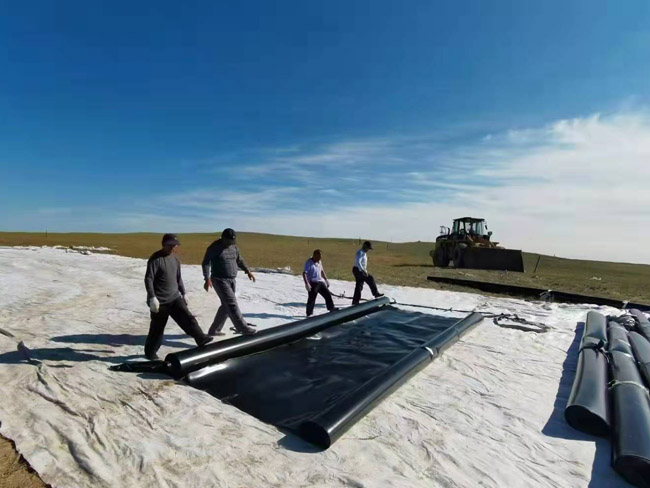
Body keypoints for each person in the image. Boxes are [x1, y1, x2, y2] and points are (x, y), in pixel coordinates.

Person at [144, 233, 213, 360]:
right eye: (169, 245)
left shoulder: (175, 259)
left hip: (175, 297)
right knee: (157, 329)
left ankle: (200, 338)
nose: (172, 247)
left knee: (188, 318)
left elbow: (178, 278)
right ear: (163, 244)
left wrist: (184, 293)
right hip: (160, 301)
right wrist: (152, 297)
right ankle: (150, 352)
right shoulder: (155, 259)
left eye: (174, 245)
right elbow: (148, 279)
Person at [202, 228, 257, 335]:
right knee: (231, 304)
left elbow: (239, 260)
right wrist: (207, 278)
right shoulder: (214, 247)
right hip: (219, 279)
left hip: (231, 280)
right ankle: (242, 328)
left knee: (225, 306)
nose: (230, 243)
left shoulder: (233, 246)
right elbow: (206, 263)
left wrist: (247, 271)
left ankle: (214, 330)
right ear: (223, 238)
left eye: (232, 241)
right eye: (228, 241)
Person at [303, 249, 337, 317]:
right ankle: (309, 314)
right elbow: (304, 273)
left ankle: (331, 308)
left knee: (327, 295)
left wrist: (326, 279)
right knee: (312, 299)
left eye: (320, 257)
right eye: (319, 257)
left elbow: (322, 271)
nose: (320, 258)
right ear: (314, 255)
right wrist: (307, 284)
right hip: (313, 283)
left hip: (320, 282)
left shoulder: (319, 262)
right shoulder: (309, 262)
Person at [352, 240, 384, 305]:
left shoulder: (363, 253)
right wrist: (363, 270)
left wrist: (364, 270)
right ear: (364, 246)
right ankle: (376, 294)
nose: (368, 250)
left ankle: (355, 302)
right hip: (358, 270)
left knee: (359, 285)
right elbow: (358, 262)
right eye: (368, 248)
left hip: (358, 270)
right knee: (370, 278)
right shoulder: (360, 252)